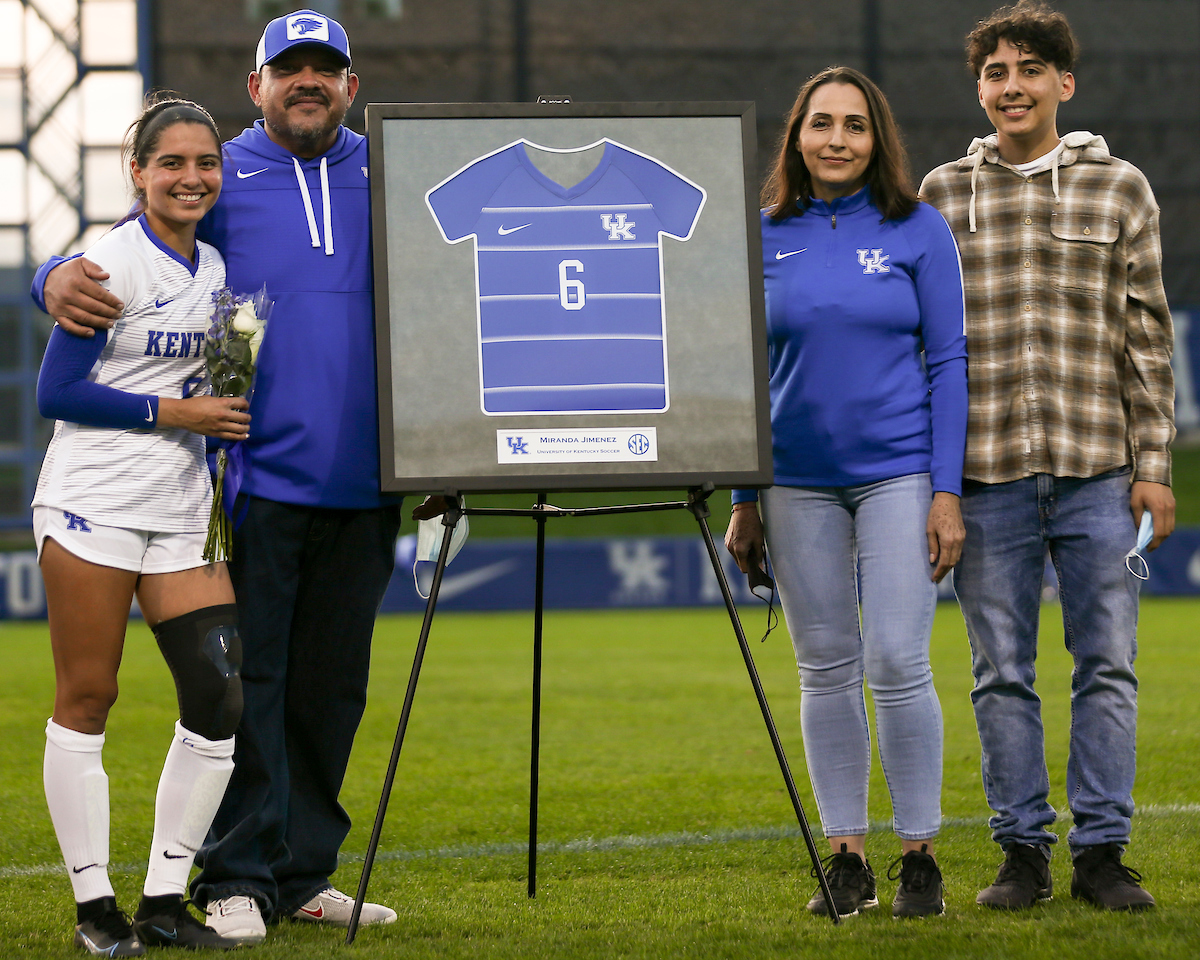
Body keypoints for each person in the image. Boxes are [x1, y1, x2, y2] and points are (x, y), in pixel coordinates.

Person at [33, 9, 402, 943]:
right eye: (290, 70)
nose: (307, 83)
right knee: (254, 686)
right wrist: (49, 273)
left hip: (374, 478)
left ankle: (303, 872)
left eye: (326, 70)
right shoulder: (221, 169)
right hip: (257, 478)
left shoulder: (395, 171)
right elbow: (124, 251)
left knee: (333, 690)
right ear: (259, 86)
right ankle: (237, 874)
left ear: (351, 85)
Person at [919, 0, 1175, 912]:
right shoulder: (941, 196)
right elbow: (923, 348)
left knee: (1107, 663)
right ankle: (1020, 850)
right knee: (1001, 673)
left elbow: (1145, 339)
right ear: (979, 87)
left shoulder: (1121, 189)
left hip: (1098, 471)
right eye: (996, 71)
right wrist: (934, 483)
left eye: (1030, 70)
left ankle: (1102, 853)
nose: (1012, 86)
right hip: (983, 479)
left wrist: (1155, 465)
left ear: (1064, 84)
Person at [724, 66, 967, 919]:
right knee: (825, 668)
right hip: (793, 482)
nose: (836, 140)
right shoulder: (759, 235)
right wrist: (744, 500)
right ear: (796, 137)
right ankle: (848, 860)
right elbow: (745, 379)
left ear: (877, 140)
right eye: (820, 124)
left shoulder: (919, 230)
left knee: (898, 660)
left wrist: (946, 492)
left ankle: (921, 856)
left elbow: (949, 363)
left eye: (854, 126)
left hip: (900, 472)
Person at [34, 95, 252, 955]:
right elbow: (58, 393)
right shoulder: (107, 265)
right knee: (90, 696)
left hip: (179, 509)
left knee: (219, 694)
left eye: (205, 164)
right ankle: (95, 914)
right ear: (139, 173)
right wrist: (179, 413)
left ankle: (163, 905)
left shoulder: (212, 267)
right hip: (92, 504)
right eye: (172, 164)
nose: (191, 177)